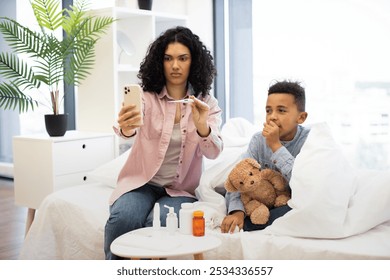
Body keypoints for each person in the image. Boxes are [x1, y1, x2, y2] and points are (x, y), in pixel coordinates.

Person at [104, 26, 223, 259]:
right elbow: (127, 130)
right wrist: (127, 128)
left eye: (182, 58)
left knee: (156, 224)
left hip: (180, 190)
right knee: (124, 218)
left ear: (194, 62)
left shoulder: (207, 103)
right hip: (141, 183)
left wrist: (202, 126)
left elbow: (214, 152)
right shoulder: (145, 97)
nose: (175, 66)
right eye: (168, 58)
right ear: (160, 62)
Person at [221, 80, 309, 233]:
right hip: (260, 203)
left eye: (281, 111)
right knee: (252, 217)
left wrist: (276, 146)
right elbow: (238, 177)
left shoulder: (310, 141)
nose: (272, 117)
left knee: (296, 212)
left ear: (301, 117)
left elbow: (304, 183)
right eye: (269, 110)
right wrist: (237, 211)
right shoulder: (258, 140)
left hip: (290, 202)